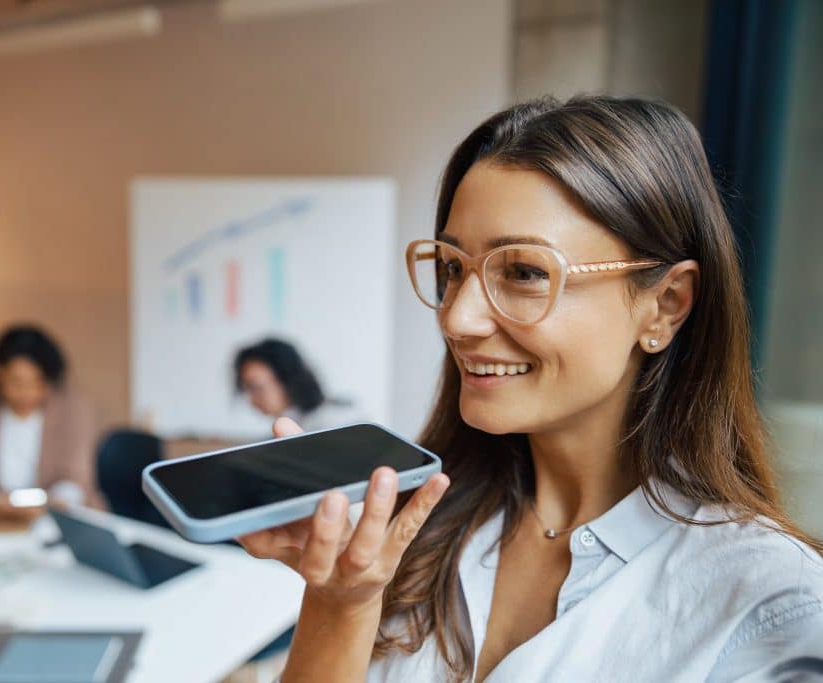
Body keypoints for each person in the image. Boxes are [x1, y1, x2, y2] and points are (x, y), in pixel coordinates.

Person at [238, 96, 823, 682]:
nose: (457, 319)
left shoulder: (773, 604)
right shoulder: (424, 526)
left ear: (664, 306)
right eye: (453, 268)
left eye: (522, 272)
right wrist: (341, 604)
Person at [0, 325, 98, 520]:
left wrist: (48, 506)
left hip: (59, 517)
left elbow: (77, 479)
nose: (27, 393)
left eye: (38, 382)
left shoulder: (73, 411)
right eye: (16, 382)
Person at [234, 338, 363, 431]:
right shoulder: (288, 426)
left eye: (256, 388)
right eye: (246, 389)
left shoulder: (335, 423)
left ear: (286, 380)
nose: (251, 399)